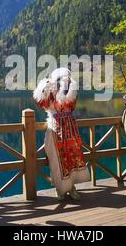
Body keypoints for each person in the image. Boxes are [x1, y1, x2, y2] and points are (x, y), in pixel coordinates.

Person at [33, 68, 90, 201]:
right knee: (57, 159)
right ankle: (60, 188)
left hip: (70, 128)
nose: (65, 82)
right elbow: (41, 102)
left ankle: (71, 187)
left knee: (72, 158)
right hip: (55, 128)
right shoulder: (49, 92)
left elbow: (72, 106)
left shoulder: (71, 92)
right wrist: (45, 88)